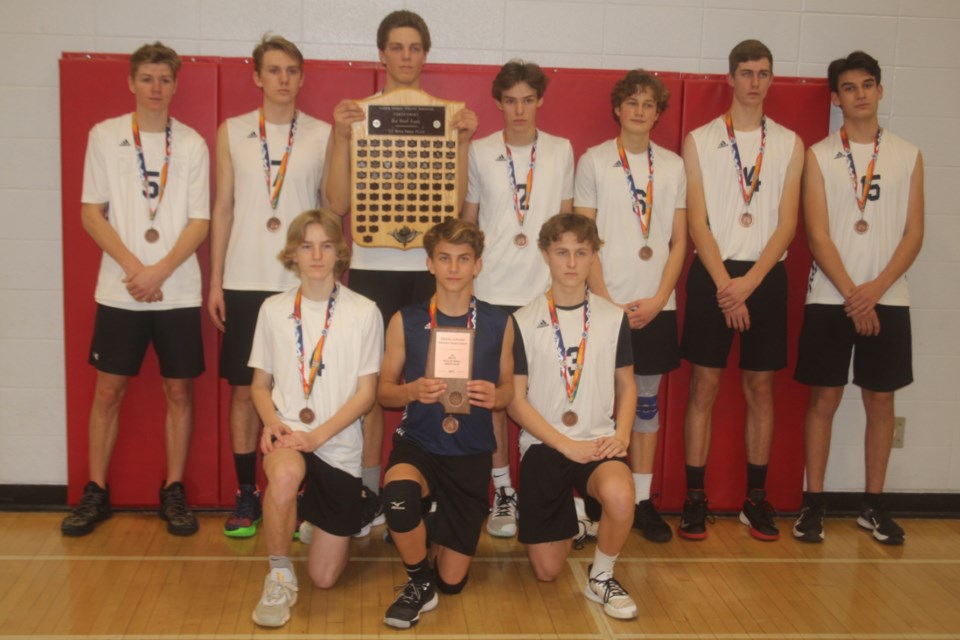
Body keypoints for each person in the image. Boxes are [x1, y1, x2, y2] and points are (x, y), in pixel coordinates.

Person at [325, 10, 479, 530]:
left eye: (415, 47)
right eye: (397, 47)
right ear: (382, 54)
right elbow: (335, 202)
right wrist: (340, 137)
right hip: (371, 265)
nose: (406, 56)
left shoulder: (448, 117)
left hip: (427, 270)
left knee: (435, 378)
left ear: (425, 54)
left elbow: (454, 207)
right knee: (372, 385)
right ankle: (368, 490)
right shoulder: (357, 115)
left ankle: (425, 491)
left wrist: (461, 142)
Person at [61, 42, 209, 537]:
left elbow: (200, 221)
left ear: (175, 85)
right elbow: (90, 212)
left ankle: (172, 491)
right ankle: (96, 492)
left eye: (164, 80)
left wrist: (160, 270)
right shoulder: (104, 136)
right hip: (121, 287)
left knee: (179, 391)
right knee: (108, 390)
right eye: (146, 78)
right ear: (131, 82)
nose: (155, 88)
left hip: (178, 288)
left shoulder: (190, 144)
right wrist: (134, 268)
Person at [793, 51, 923, 546]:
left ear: (881, 91)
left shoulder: (908, 154)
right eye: (850, 87)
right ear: (836, 98)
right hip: (831, 296)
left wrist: (874, 292)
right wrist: (854, 295)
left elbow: (913, 234)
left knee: (880, 400)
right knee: (823, 397)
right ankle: (814, 504)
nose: (861, 94)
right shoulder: (819, 155)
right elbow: (818, 233)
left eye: (869, 84)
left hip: (889, 296)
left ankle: (873, 505)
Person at [208, 35, 332, 539]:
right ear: (257, 77)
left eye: (292, 71)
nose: (283, 79)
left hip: (301, 281)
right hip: (243, 279)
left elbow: (328, 209)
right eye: (274, 70)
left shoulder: (322, 134)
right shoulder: (232, 131)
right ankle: (246, 495)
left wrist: (328, 277)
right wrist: (214, 280)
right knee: (244, 392)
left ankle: (302, 494)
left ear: (302, 78)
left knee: (306, 389)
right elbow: (223, 208)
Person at [679, 39, 803, 541]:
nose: (754, 81)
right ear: (730, 78)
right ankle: (693, 498)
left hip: (766, 275)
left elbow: (788, 224)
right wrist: (726, 286)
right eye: (746, 72)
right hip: (714, 272)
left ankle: (756, 498)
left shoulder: (791, 143)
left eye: (763, 73)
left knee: (760, 387)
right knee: (703, 386)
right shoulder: (700, 139)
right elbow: (698, 222)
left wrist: (749, 285)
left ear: (772, 79)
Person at [247, 208, 383, 626]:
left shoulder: (364, 311)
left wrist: (318, 436)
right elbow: (258, 385)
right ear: (292, 255)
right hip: (289, 435)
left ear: (340, 254)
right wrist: (273, 423)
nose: (317, 255)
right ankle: (279, 574)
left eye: (326, 246)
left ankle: (314, 520)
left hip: (337, 443)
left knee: (324, 578)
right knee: (284, 477)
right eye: (307, 246)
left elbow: (366, 395)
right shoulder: (272, 309)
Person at [377, 219, 514, 628]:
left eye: (463, 259)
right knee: (398, 496)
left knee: (453, 582)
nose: (454, 268)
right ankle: (418, 583)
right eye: (444, 258)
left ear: (478, 266)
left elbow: (510, 391)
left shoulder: (500, 322)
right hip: (418, 443)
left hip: (470, 452)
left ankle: (433, 529)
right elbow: (383, 392)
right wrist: (411, 391)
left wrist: (496, 397)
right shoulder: (406, 319)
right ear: (430, 264)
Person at [462, 59, 574, 538]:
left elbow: (569, 224)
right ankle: (503, 491)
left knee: (538, 398)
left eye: (529, 99)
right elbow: (469, 220)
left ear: (540, 100)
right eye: (510, 100)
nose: (520, 109)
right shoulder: (481, 151)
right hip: (490, 292)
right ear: (498, 103)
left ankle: (542, 490)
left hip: (541, 297)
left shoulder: (562, 150)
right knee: (490, 400)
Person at [574, 69, 686, 543]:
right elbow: (584, 239)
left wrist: (660, 298)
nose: (640, 110)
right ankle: (594, 503)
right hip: (604, 305)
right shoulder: (595, 161)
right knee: (596, 406)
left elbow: (680, 241)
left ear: (658, 113)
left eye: (649, 104)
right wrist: (606, 302)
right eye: (632, 102)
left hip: (655, 306)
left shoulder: (675, 166)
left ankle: (640, 503)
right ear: (618, 109)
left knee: (645, 406)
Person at [509, 213, 638, 620]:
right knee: (547, 571)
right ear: (545, 254)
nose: (571, 262)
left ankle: (602, 575)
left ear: (593, 256)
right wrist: (566, 446)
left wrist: (623, 434)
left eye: (581, 252)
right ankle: (575, 522)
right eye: (561, 251)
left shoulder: (613, 318)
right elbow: (514, 401)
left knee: (620, 494)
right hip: (545, 447)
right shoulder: (522, 321)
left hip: (598, 441)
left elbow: (627, 386)